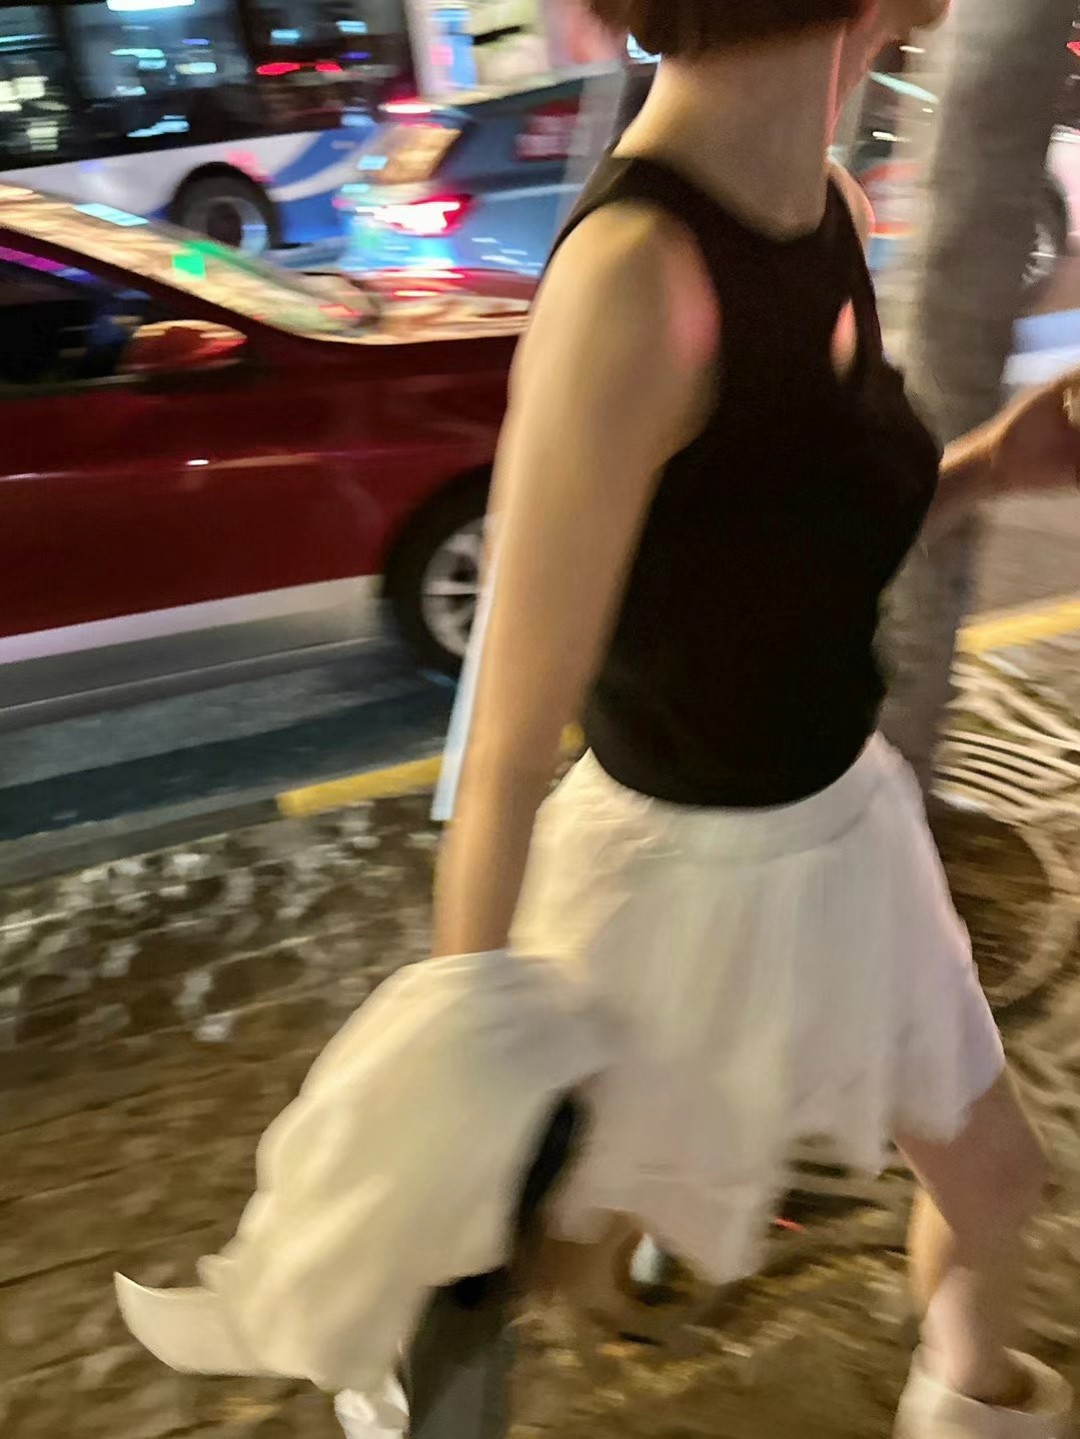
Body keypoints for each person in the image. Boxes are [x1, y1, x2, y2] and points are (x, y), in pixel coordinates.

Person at [117, 3, 1080, 1437]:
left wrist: (993, 466)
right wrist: (461, 1071)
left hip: (848, 832)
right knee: (523, 1258)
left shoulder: (821, 202)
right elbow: (507, 738)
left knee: (994, 1187)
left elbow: (788, 544)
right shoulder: (634, 278)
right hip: (675, 890)